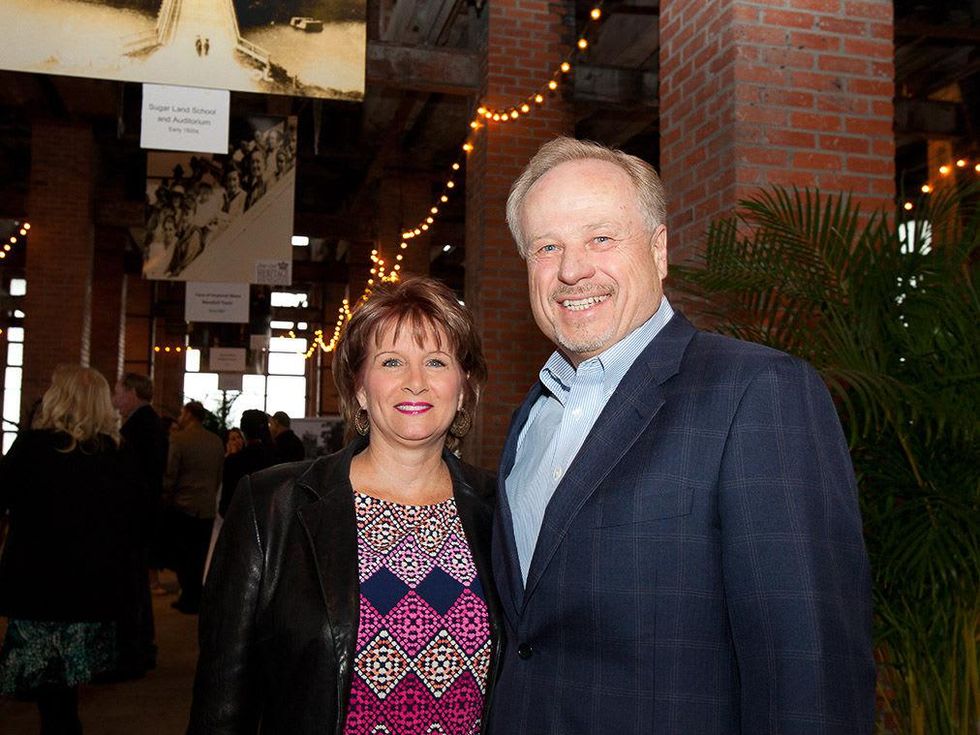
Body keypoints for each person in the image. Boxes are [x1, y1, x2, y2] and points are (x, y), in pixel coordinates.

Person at [488, 137, 875, 734]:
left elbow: (808, 666)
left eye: (601, 238)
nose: (571, 270)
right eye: (547, 247)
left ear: (659, 249)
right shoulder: (532, 417)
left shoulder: (757, 392)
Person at [189, 277, 502, 734]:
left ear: (463, 387)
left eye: (436, 361)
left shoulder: (500, 510)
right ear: (359, 388)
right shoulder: (273, 505)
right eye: (391, 361)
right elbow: (222, 702)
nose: (415, 382)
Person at [0, 366, 147, 733]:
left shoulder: (33, 448)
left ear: (58, 397)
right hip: (93, 589)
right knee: (64, 691)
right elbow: (137, 522)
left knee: (51, 694)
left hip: (38, 587)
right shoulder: (118, 454)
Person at [108, 373, 168, 679]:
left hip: (134, 521)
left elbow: (135, 481)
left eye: (118, 391)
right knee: (136, 587)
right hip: (142, 518)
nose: (115, 398)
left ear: (132, 392)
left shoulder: (139, 427)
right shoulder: (148, 422)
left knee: (131, 589)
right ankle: (141, 648)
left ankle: (134, 653)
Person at [163, 400, 224, 615]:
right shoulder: (216, 441)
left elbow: (171, 474)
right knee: (199, 554)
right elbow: (218, 475)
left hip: (183, 505)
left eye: (182, 413)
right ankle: (197, 596)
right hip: (206, 506)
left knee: (183, 555)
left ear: (189, 414)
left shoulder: (178, 440)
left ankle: (188, 596)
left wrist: (166, 498)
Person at [218, 410, 276, 517]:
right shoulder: (274, 457)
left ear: (244, 433)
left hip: (241, 517)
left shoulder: (233, 461)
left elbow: (226, 504)